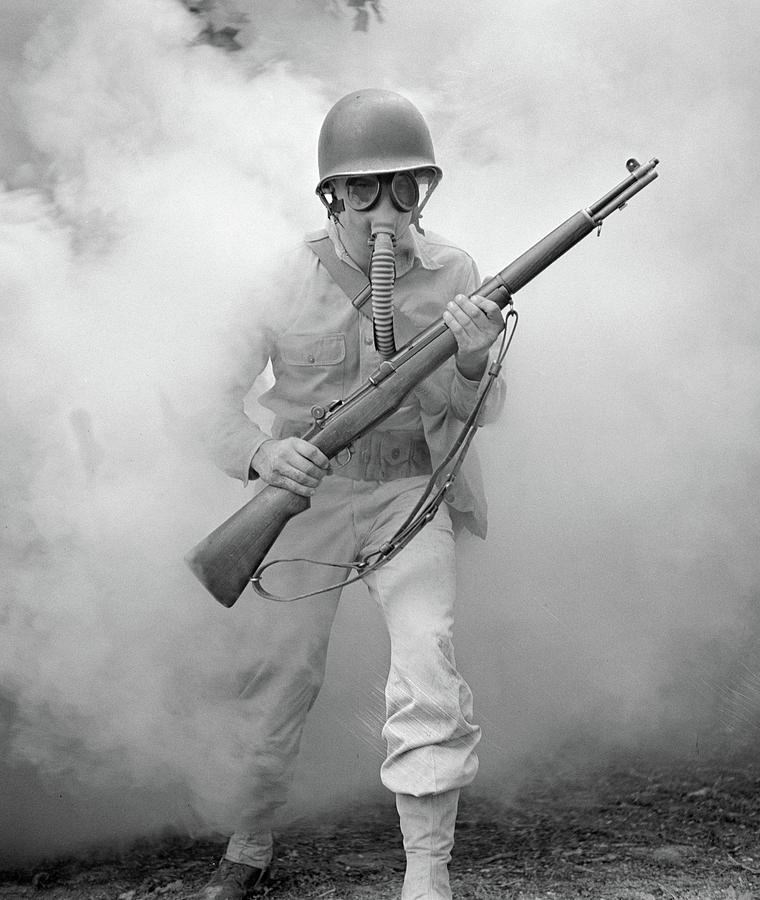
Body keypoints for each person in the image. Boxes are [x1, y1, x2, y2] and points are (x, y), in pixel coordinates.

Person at [198, 88, 507, 900]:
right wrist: (264, 457)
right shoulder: (280, 277)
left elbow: (479, 417)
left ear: (424, 190)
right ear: (331, 192)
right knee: (279, 676)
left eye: (404, 186)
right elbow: (205, 403)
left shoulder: (456, 274)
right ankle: (249, 841)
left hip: (410, 491)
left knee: (427, 666)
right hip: (311, 502)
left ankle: (427, 869)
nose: (385, 209)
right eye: (363, 187)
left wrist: (473, 361)